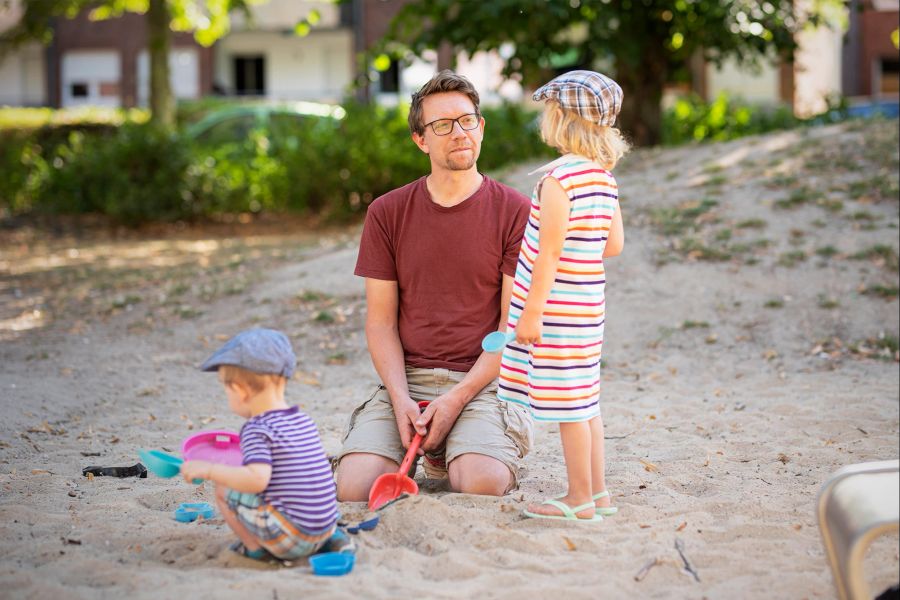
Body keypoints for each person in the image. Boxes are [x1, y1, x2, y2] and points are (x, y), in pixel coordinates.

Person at [335, 70, 534, 501]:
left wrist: (459, 398)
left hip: (483, 381)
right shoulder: (387, 213)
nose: (458, 132)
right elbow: (381, 324)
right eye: (441, 125)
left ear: (481, 126)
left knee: (480, 484)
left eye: (466, 120)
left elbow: (510, 330)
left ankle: (458, 449)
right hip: (408, 380)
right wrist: (401, 398)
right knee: (353, 489)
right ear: (421, 140)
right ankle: (426, 443)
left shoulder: (517, 211)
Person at [497, 70, 629, 521]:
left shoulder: (558, 180)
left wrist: (530, 314)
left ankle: (578, 498)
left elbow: (547, 254)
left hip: (556, 311)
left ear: (562, 120)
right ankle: (599, 493)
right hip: (588, 307)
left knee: (570, 407)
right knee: (586, 401)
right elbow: (613, 245)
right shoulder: (603, 179)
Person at [181, 328, 340, 560]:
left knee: (224, 491)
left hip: (294, 538)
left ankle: (254, 550)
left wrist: (210, 470)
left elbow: (256, 480)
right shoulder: (302, 419)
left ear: (239, 389)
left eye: (226, 388)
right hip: (326, 530)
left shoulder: (257, 429)